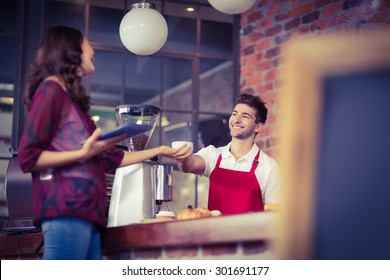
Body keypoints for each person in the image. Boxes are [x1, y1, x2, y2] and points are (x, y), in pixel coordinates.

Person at [18, 25, 187, 260]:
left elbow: (110, 159)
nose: (92, 49)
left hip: (88, 214)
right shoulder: (51, 90)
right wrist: (81, 153)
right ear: (70, 50)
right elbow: (28, 156)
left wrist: (160, 150)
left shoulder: (70, 100)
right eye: (87, 43)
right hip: (67, 210)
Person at [175, 93, 281, 214]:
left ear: (257, 127)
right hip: (214, 232)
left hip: (251, 233)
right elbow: (189, 165)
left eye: (245, 116)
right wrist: (182, 159)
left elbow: (274, 214)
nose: (236, 119)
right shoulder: (213, 155)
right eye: (234, 114)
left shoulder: (270, 168)